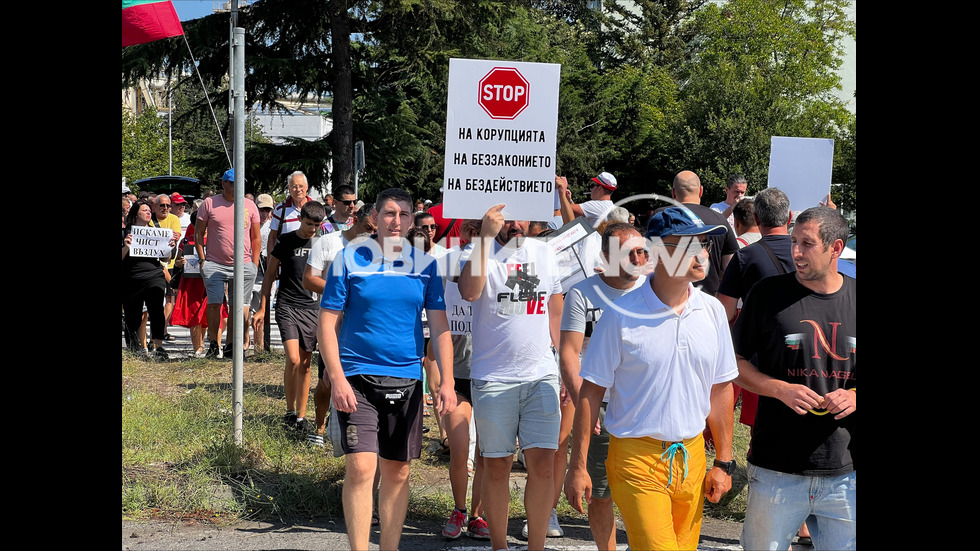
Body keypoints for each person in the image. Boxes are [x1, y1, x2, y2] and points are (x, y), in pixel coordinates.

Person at [564, 206, 738, 551]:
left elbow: (721, 389)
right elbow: (590, 392)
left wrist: (724, 461)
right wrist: (578, 465)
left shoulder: (713, 311)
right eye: (691, 244)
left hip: (691, 458)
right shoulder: (620, 315)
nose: (703, 253)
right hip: (635, 459)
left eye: (704, 243)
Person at [319, 188, 456, 551]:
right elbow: (327, 323)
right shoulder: (348, 259)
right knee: (362, 469)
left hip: (408, 379)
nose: (397, 221)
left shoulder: (425, 266)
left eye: (405, 214)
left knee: (398, 472)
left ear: (413, 220)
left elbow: (441, 327)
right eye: (390, 214)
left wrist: (448, 382)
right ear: (375, 218)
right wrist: (337, 379)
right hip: (357, 378)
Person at [733, 206, 856, 551]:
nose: (796, 253)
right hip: (776, 471)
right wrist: (779, 389)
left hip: (845, 472)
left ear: (836, 248)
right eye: (793, 242)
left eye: (807, 243)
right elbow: (733, 362)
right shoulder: (766, 294)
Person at [457, 204, 564, 551]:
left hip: (541, 376)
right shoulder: (479, 251)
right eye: (508, 216)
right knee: (497, 465)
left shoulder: (544, 252)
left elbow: (555, 307)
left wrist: (561, 365)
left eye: (521, 215)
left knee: (543, 465)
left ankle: (536, 547)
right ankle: (499, 547)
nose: (515, 223)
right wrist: (485, 240)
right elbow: (469, 292)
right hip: (493, 378)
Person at [558, 222, 648, 551]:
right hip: (602, 407)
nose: (638, 258)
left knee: (645, 489)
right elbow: (569, 352)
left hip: (644, 406)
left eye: (642, 251)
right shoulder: (582, 293)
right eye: (628, 253)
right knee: (600, 492)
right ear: (606, 256)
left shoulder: (654, 289)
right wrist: (587, 404)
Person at [301, 202, 376, 447]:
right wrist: (341, 290)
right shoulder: (328, 242)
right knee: (328, 378)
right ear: (355, 220)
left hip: (363, 325)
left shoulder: (379, 249)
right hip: (332, 323)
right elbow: (309, 279)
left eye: (374, 230)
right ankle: (319, 426)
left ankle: (355, 429)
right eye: (367, 227)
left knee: (361, 378)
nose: (370, 234)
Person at [253, 201, 326, 436]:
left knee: (306, 363)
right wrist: (263, 308)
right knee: (293, 359)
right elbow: (269, 276)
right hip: (286, 304)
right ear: (300, 219)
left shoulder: (322, 243)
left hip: (312, 308)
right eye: (308, 224)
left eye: (316, 225)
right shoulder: (285, 241)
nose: (312, 229)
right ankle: (289, 410)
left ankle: (301, 416)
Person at [438, 219, 490, 541]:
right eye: (468, 231)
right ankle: (458, 509)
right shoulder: (446, 263)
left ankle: (478, 516)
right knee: (460, 449)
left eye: (478, 231)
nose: (471, 236)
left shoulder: (497, 264)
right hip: (456, 373)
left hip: (489, 372)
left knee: (487, 452)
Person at [195, 168, 262, 358]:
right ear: (223, 183)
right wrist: (202, 260)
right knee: (215, 303)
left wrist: (254, 264)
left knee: (238, 306)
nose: (235, 186)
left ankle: (232, 344)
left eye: (239, 182)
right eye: (232, 182)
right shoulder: (209, 203)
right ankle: (214, 343)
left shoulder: (250, 205)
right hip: (215, 263)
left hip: (244, 264)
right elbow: (198, 233)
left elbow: (256, 237)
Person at [660, 170, 738, 296]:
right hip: (708, 298)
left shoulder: (660, 218)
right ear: (701, 191)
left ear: (673, 192)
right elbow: (730, 268)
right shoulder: (719, 220)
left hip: (664, 298)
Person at [122, 199, 179, 359]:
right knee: (133, 316)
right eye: (144, 210)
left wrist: (170, 247)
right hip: (131, 278)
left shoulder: (157, 231)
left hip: (154, 275)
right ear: (135, 214)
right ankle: (133, 348)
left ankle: (158, 347)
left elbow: (166, 259)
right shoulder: (126, 232)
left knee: (156, 311)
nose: (148, 212)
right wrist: (126, 247)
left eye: (149, 210)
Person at [267, 171, 311, 254]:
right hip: (286, 263)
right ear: (289, 188)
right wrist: (271, 264)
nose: (298, 190)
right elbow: (272, 238)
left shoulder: (315, 207)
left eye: (301, 186)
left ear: (307, 187)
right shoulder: (280, 209)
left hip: (310, 262)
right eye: (294, 186)